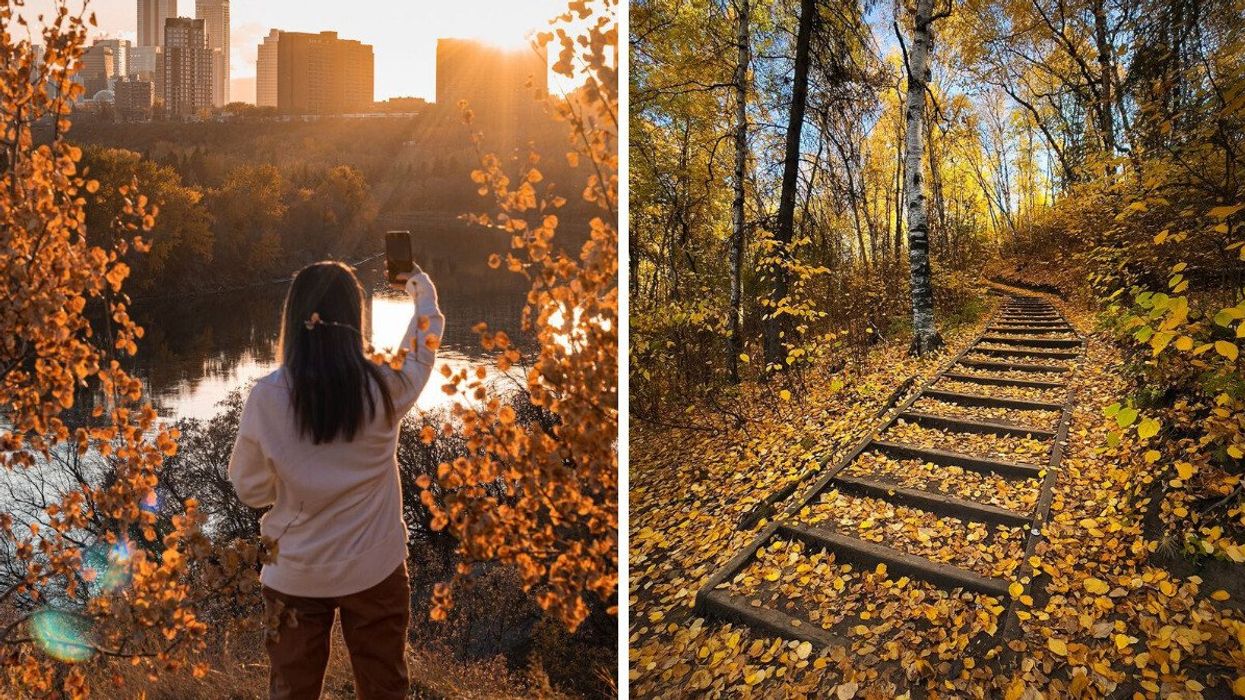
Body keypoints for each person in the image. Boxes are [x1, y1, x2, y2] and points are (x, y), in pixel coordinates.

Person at [228, 260, 444, 699]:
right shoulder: (384, 386)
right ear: (355, 319)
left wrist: (290, 485)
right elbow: (423, 347)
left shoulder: (267, 397)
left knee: (292, 691)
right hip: (375, 566)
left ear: (293, 319)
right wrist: (419, 288)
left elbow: (249, 488)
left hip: (295, 572)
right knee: (385, 687)